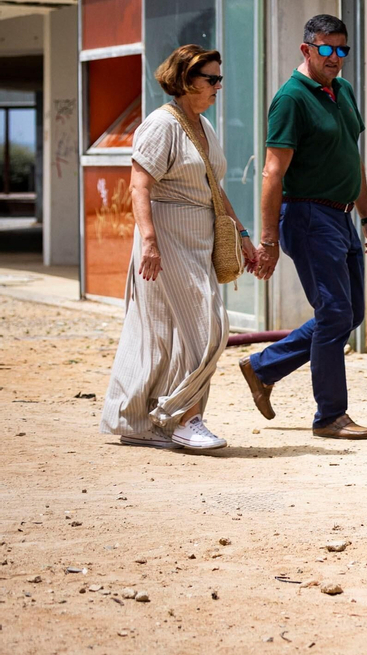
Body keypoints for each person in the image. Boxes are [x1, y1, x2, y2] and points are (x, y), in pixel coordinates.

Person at [101, 45, 259, 451]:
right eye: (212, 78)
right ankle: (184, 418)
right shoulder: (161, 124)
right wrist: (149, 242)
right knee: (209, 328)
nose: (219, 85)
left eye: (220, 78)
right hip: (168, 236)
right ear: (187, 80)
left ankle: (138, 421)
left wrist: (241, 234)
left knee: (162, 334)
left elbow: (212, 185)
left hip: (199, 236)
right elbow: (139, 184)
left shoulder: (202, 125)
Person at [240, 14, 367, 439]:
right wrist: (268, 240)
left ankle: (263, 367)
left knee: (350, 313)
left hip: (341, 215)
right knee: (335, 312)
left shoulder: (344, 91)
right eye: (326, 49)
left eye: (342, 49)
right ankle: (330, 416)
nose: (335, 58)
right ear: (307, 50)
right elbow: (271, 173)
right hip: (306, 215)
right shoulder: (291, 99)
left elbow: (351, 159)